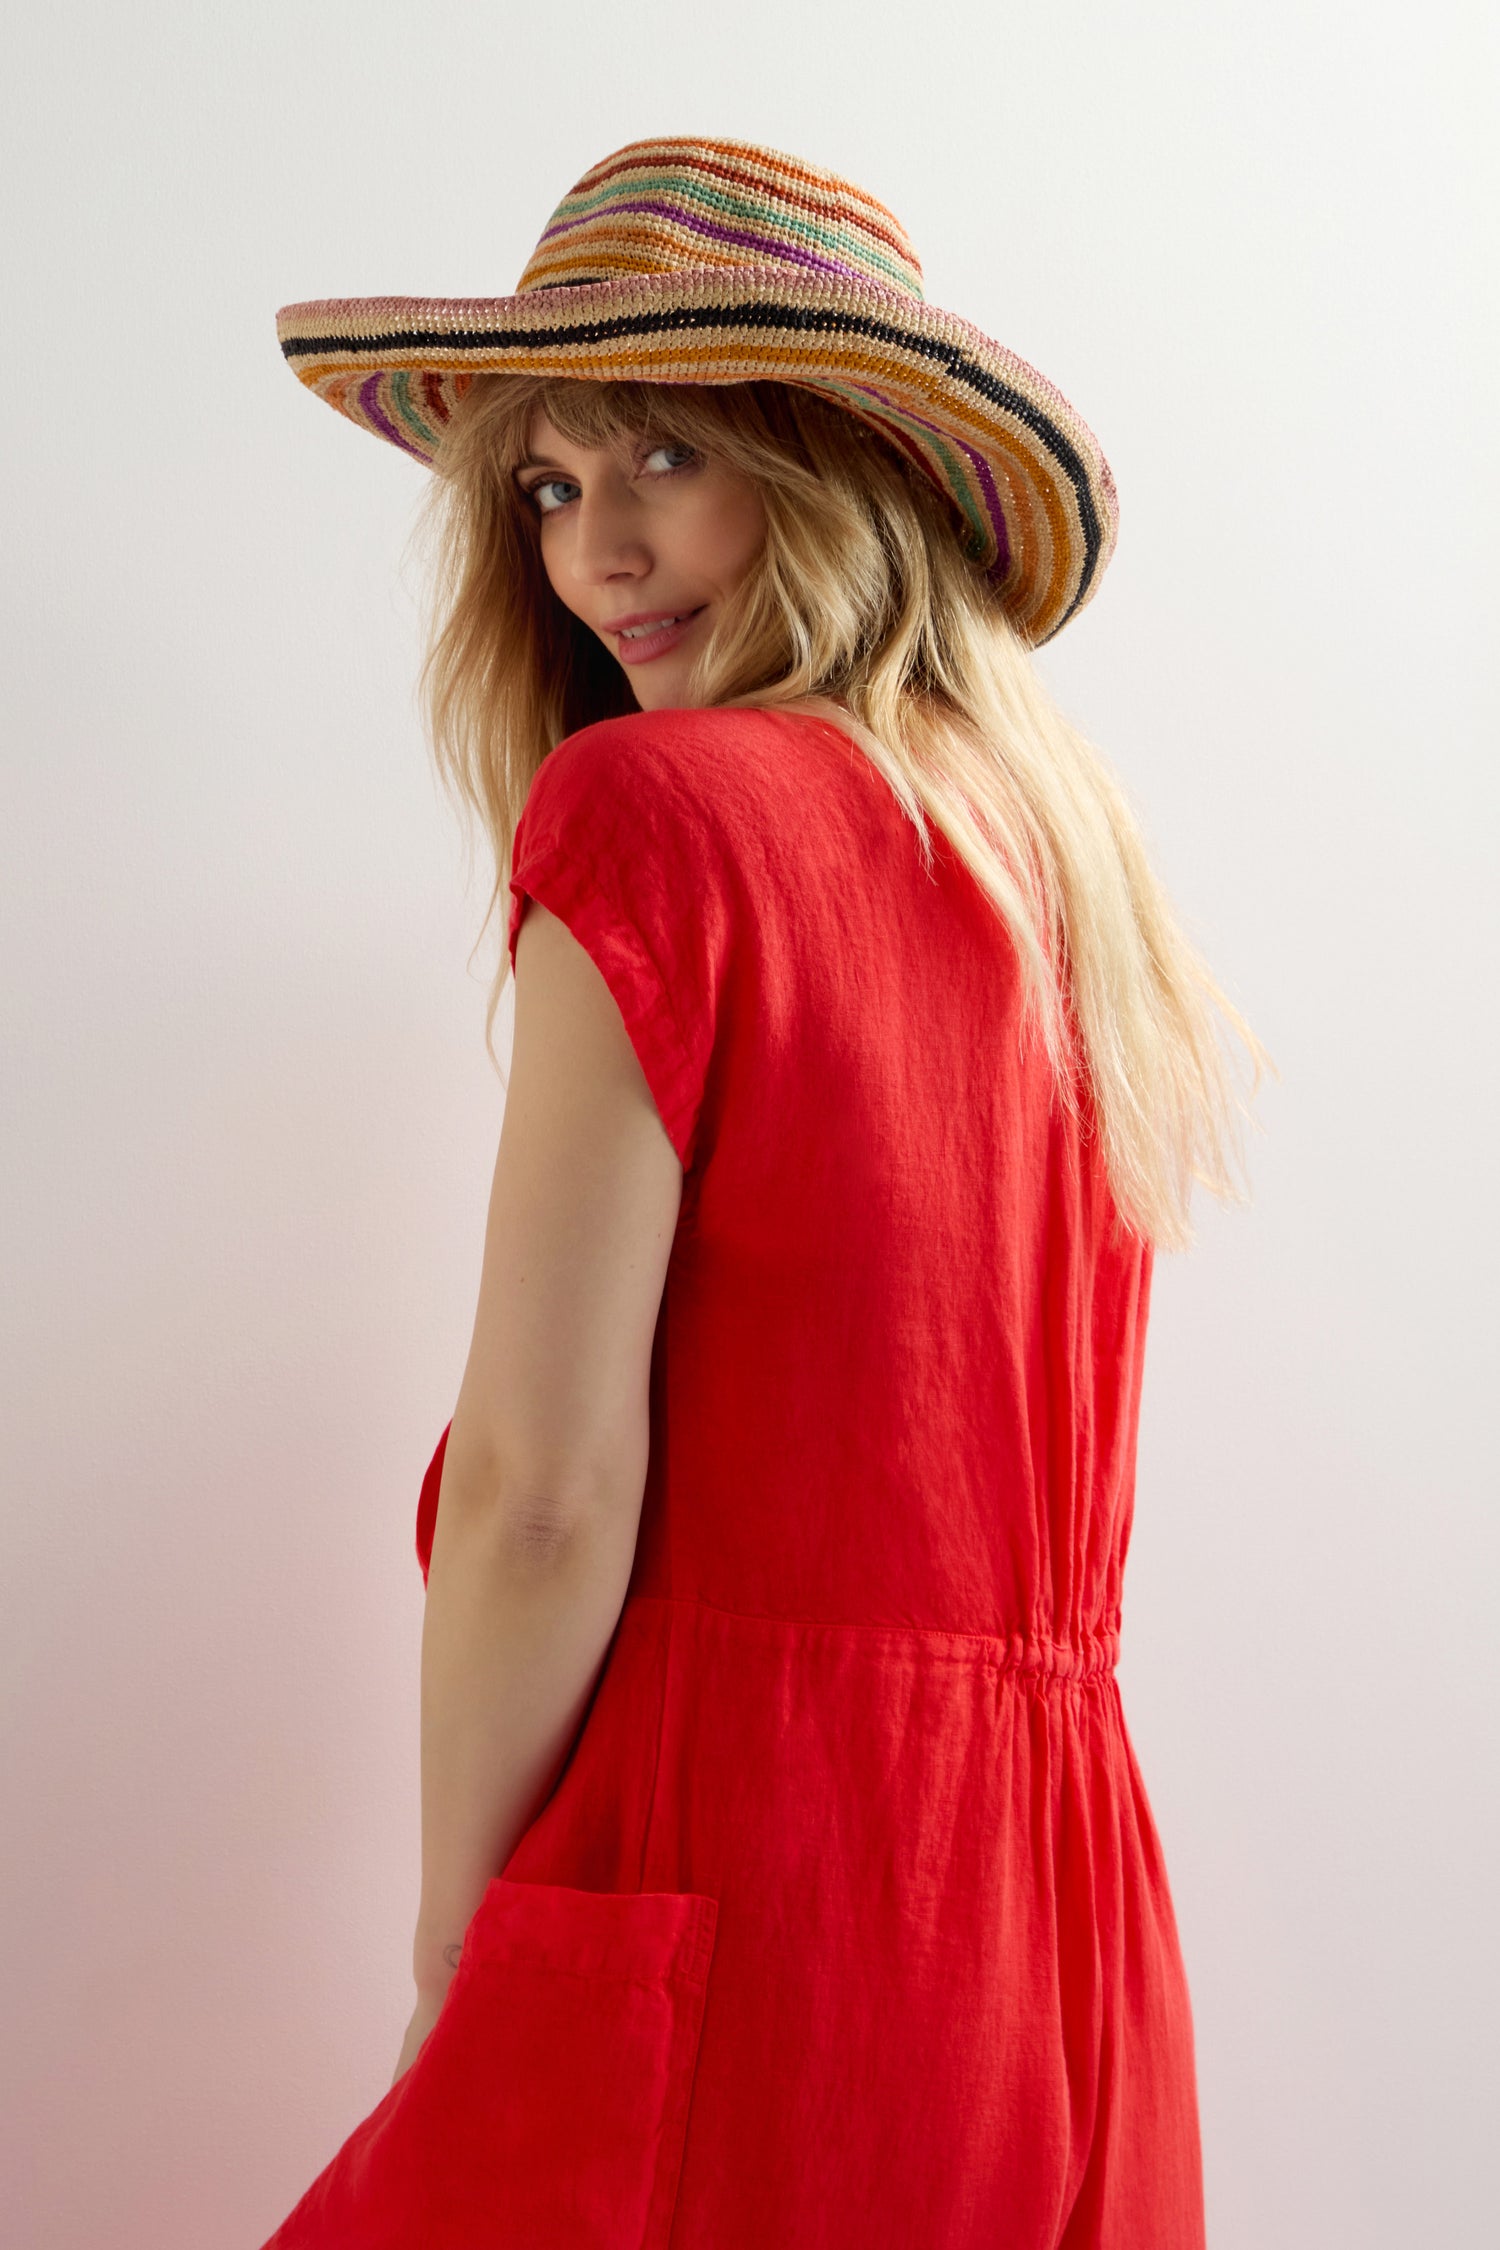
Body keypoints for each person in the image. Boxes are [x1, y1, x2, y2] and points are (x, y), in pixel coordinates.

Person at [261, 135, 1271, 2250]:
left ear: (832, 473)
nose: (600, 552)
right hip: (1051, 1930)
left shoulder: (651, 820)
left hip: (747, 1893)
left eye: (664, 459)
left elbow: (545, 1490)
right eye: (546, 486)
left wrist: (460, 1940)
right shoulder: (1061, 866)